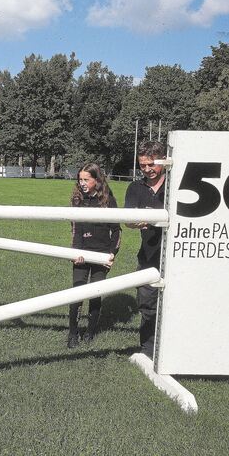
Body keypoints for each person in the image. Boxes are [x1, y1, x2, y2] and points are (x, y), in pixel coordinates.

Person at [67, 163, 121, 348]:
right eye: (80, 179)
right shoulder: (76, 200)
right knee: (77, 292)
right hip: (80, 254)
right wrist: (75, 253)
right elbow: (75, 230)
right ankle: (73, 333)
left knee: (95, 293)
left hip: (101, 255)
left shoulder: (109, 201)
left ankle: (90, 331)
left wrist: (112, 254)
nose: (82, 183)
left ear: (97, 180)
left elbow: (116, 232)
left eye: (86, 179)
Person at [124, 141, 166, 358]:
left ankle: (171, 349)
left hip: (175, 256)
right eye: (143, 165)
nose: (147, 169)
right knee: (147, 304)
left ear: (163, 161)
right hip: (148, 256)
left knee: (174, 304)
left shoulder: (176, 186)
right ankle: (148, 351)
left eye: (152, 164)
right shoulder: (135, 188)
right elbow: (127, 220)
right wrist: (136, 221)